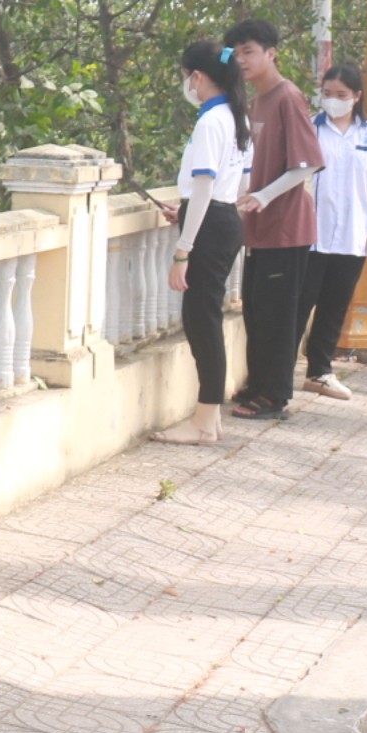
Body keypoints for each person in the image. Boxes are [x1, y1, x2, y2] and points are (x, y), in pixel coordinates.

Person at [152, 42, 250, 446]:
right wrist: (189, 209)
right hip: (225, 221)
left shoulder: (211, 122)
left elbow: (206, 185)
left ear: (196, 76)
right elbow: (239, 186)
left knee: (201, 322)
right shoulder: (237, 117)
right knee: (206, 319)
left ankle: (205, 421)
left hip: (210, 226)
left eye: (185, 76)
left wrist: (183, 250)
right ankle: (210, 418)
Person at [227, 19, 321, 421]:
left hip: (286, 229)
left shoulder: (288, 97)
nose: (241, 60)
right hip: (259, 229)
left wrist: (264, 196)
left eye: (248, 51)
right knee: (256, 311)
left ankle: (275, 395)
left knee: (278, 316)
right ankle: (257, 384)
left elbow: (308, 164)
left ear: (271, 53)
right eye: (235, 53)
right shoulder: (257, 100)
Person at [295, 63, 367, 401]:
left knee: (334, 306)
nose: (333, 100)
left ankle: (320, 372)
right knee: (299, 305)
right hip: (311, 234)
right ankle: (278, 372)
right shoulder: (310, 128)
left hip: (353, 235)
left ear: (357, 96)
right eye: (327, 93)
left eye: (341, 94)